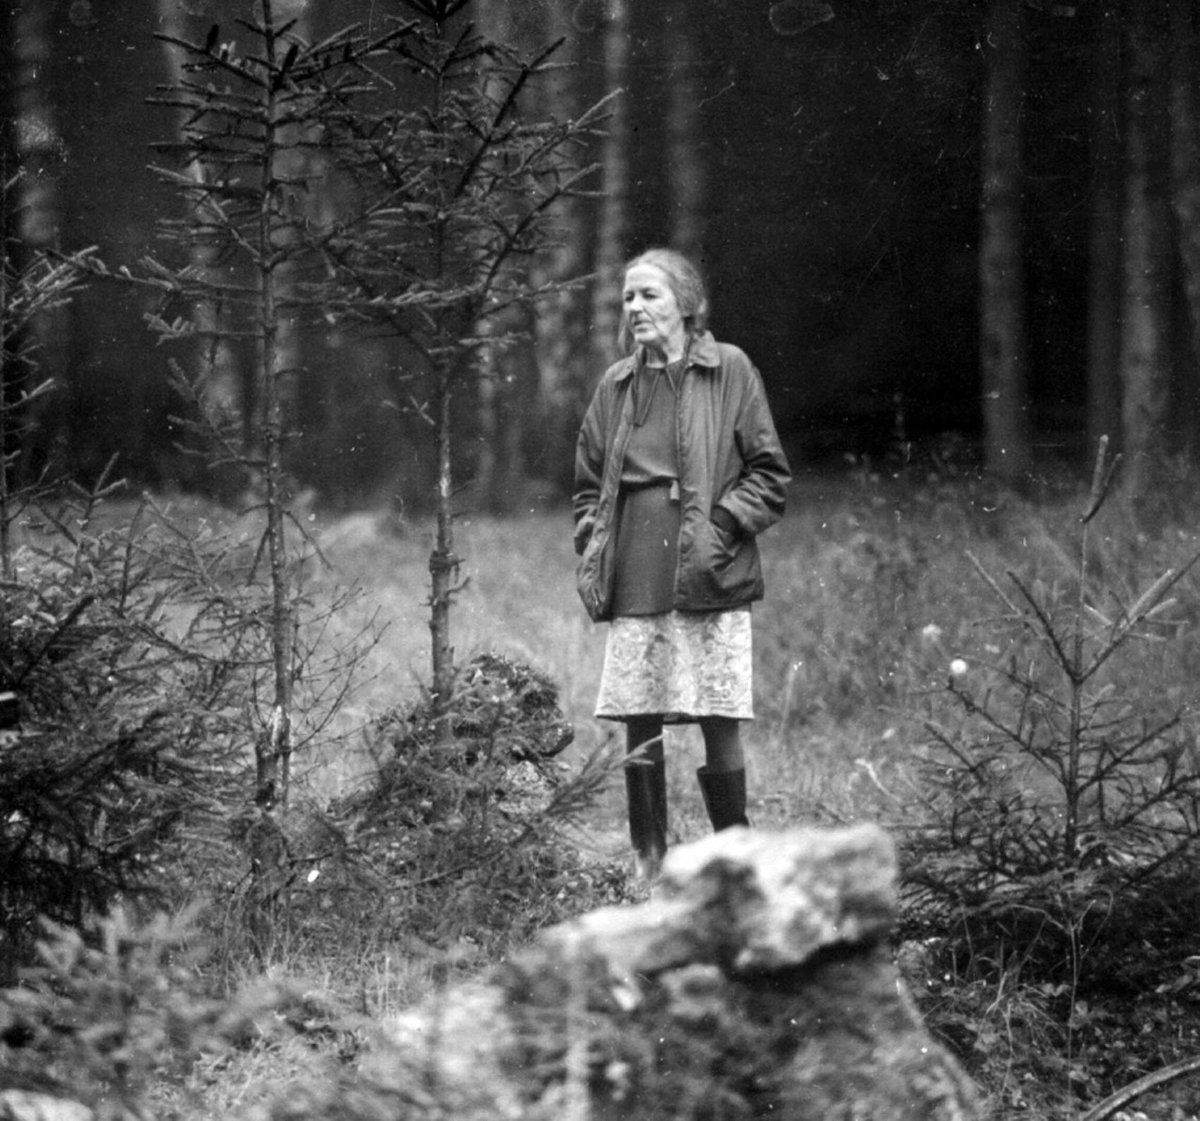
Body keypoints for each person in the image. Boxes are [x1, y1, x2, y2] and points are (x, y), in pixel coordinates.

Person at [573, 247, 791, 879]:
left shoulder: (731, 370)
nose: (634, 308)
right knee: (640, 721)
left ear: (687, 305)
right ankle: (650, 867)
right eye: (628, 299)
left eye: (649, 296)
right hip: (635, 565)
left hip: (707, 564)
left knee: (718, 717)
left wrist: (721, 527)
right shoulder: (615, 385)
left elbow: (769, 475)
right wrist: (597, 539)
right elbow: (587, 486)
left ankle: (736, 865)